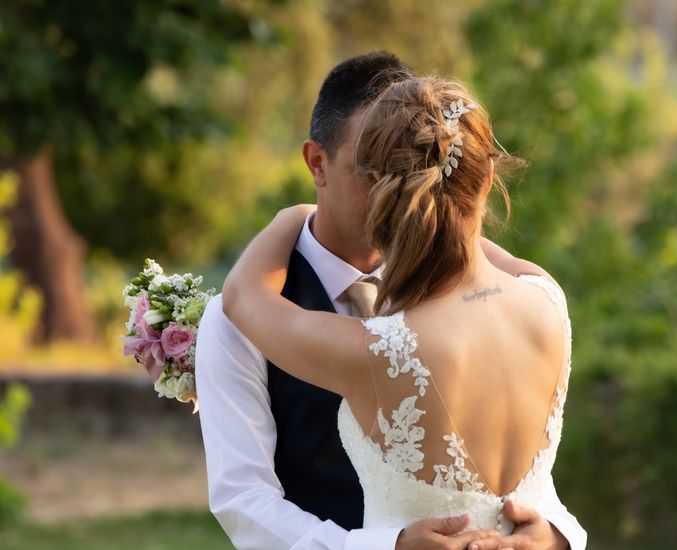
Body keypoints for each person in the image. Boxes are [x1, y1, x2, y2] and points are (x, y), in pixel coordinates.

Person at [196, 52, 586, 550]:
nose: (388, 189)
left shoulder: (364, 343)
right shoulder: (543, 299)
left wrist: (554, 536)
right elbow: (245, 501)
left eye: (399, 171)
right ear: (318, 163)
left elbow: (532, 490)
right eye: (373, 169)